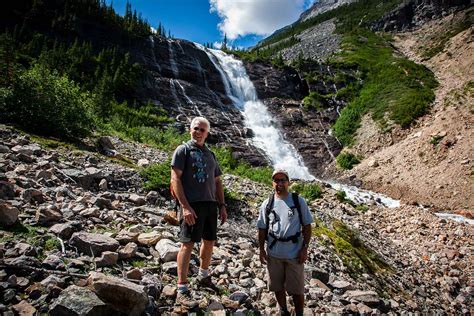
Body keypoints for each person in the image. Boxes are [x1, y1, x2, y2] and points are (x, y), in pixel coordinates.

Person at [171, 116, 227, 308]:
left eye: (202, 130)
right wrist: (185, 206)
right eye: (196, 128)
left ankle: (203, 275)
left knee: (209, 241)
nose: (199, 132)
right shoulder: (183, 150)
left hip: (211, 204)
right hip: (192, 204)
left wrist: (222, 205)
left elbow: (218, 181)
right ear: (190, 129)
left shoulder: (211, 154)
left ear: (207, 133)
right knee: (187, 243)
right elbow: (175, 179)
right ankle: (182, 288)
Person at [257, 169, 312, 316]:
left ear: (288, 182)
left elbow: (307, 226)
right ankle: (283, 310)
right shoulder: (267, 203)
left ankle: (299, 313)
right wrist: (261, 249)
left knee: (297, 289)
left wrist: (305, 248)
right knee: (276, 285)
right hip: (274, 253)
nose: (279, 183)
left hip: (294, 252)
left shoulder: (298, 201)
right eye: (276, 180)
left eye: (283, 180)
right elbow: (262, 228)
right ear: (272, 183)